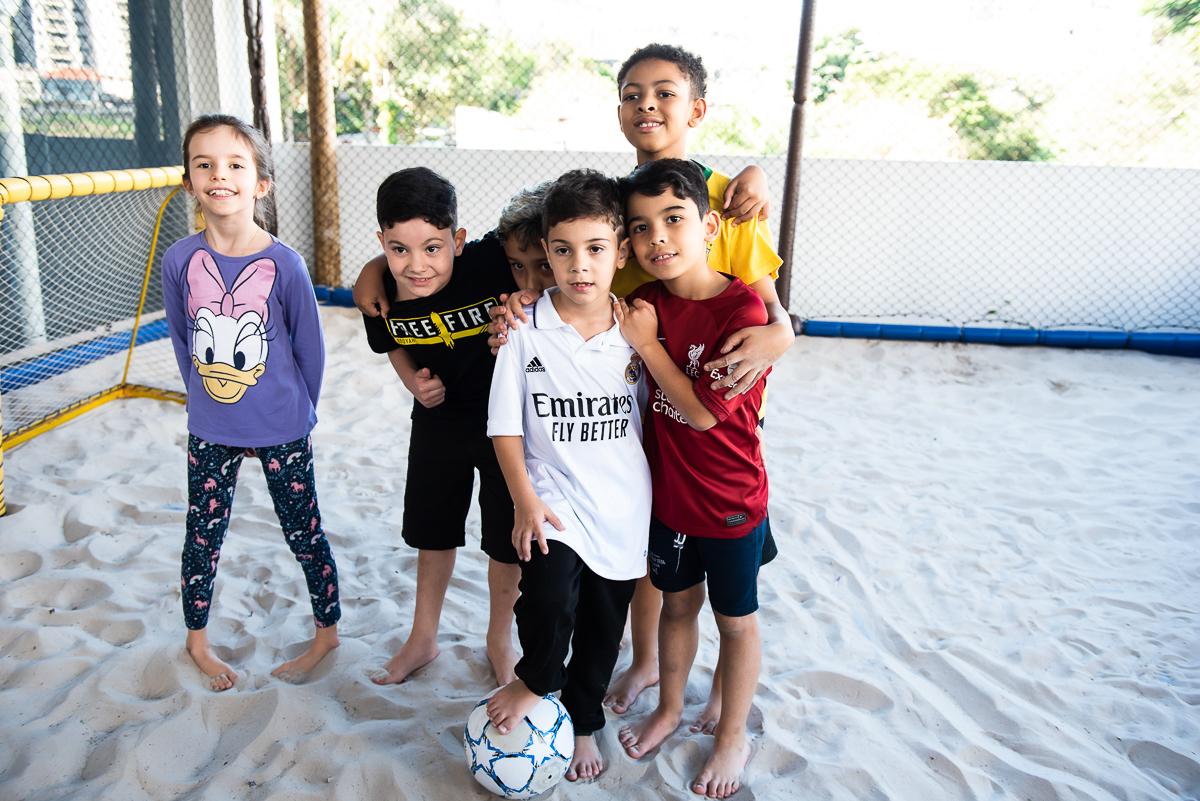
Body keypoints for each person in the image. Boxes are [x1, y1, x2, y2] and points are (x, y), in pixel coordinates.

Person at [491, 43, 794, 726]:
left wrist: (782, 334)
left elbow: (771, 312)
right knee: (657, 556)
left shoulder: (725, 201)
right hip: (649, 410)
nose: (646, 105)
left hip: (723, 411)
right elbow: (552, 255)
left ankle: (721, 695)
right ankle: (650, 661)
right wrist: (517, 302)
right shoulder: (619, 203)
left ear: (697, 108)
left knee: (729, 590)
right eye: (631, 93)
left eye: (663, 92)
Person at [162, 113, 340, 692]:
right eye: (204, 164)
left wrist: (292, 414)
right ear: (189, 180)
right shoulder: (179, 260)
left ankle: (326, 633)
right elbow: (184, 340)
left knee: (303, 529)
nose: (220, 175)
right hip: (211, 425)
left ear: (260, 182)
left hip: (282, 426)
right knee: (202, 532)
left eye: (236, 164)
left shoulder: (285, 263)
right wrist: (207, 404)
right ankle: (198, 641)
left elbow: (309, 352)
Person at [485, 169, 651, 782]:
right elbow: (504, 426)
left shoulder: (637, 329)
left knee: (605, 626)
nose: (578, 265)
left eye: (595, 249)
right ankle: (538, 678)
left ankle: (583, 720)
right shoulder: (524, 326)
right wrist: (524, 502)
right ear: (546, 252)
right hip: (550, 500)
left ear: (621, 252)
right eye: (562, 250)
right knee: (550, 597)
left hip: (623, 507)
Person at [359, 169, 555, 687]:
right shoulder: (380, 292)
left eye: (432, 248)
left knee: (505, 540)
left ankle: (499, 640)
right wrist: (411, 383)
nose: (416, 265)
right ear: (382, 243)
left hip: (504, 426)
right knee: (433, 531)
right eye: (398, 249)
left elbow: (544, 215)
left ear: (459, 242)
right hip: (436, 423)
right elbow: (391, 343)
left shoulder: (491, 259)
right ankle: (423, 638)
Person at [614, 159, 771, 799]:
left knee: (735, 622)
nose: (659, 238)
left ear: (708, 224)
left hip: (730, 500)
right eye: (642, 227)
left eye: (674, 220)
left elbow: (705, 414)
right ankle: (672, 706)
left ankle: (731, 733)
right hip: (667, 501)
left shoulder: (744, 307)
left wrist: (650, 348)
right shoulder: (643, 303)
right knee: (676, 608)